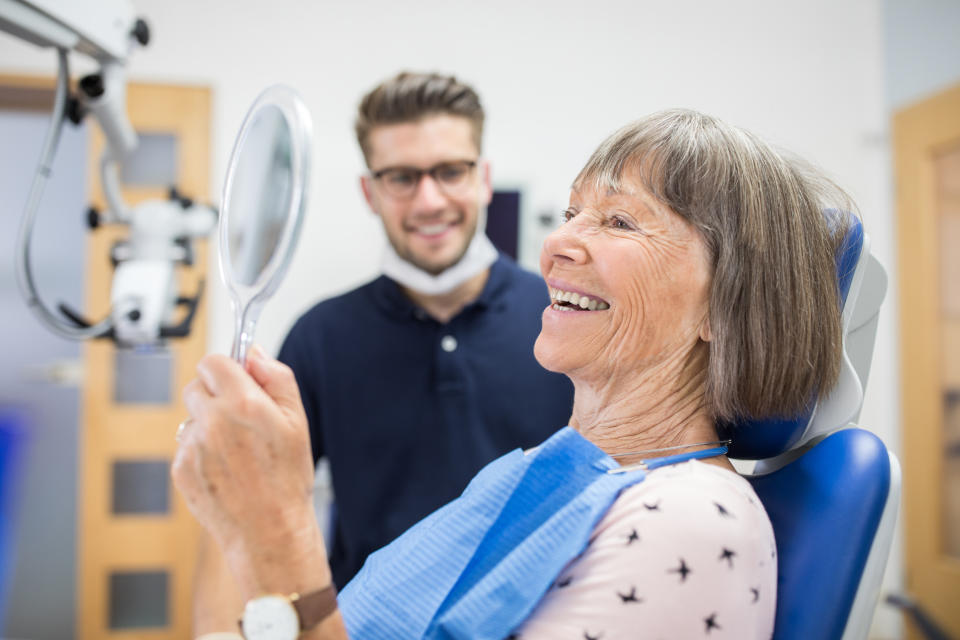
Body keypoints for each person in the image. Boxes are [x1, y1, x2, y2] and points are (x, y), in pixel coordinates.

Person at [174, 108, 853, 639]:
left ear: (727, 301)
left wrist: (275, 539)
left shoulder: (689, 523)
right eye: (570, 214)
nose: (557, 243)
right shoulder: (559, 473)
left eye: (619, 220)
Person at [191, 71, 574, 632]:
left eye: (450, 171)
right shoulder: (321, 336)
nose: (429, 199)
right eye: (401, 177)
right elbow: (251, 504)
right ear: (370, 192)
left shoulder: (564, 320)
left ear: (483, 179)